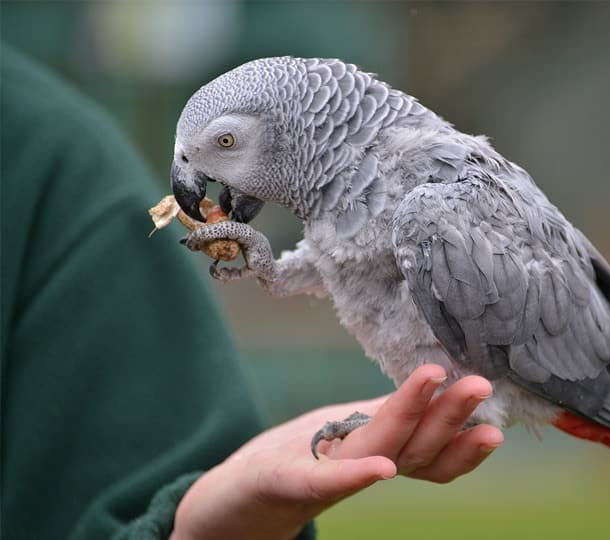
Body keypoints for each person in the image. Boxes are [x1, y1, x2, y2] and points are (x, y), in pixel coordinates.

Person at [0, 46, 503, 540]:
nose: (197, 182)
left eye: (226, 143)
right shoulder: (340, 199)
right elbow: (322, 268)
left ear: (297, 133)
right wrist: (264, 262)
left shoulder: (438, 191)